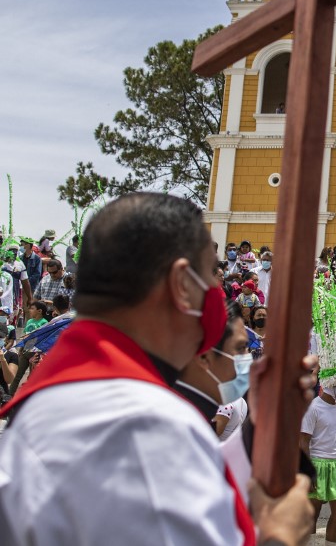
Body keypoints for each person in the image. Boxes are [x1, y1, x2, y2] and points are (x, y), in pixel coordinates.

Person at [0, 193, 313, 545]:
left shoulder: (73, 392)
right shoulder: (144, 424)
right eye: (211, 271)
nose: (219, 289)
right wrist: (280, 534)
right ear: (181, 284)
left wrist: (264, 420)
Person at [300, 384, 336, 545]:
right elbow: (303, 443)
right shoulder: (312, 407)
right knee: (312, 513)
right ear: (330, 384)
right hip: (316, 464)